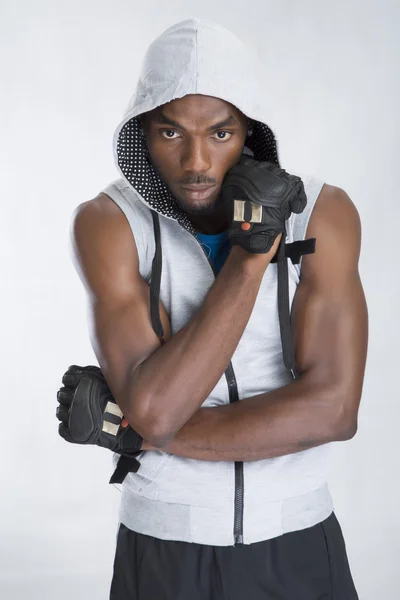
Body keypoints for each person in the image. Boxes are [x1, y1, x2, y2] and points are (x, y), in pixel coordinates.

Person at [69, 18, 368, 599]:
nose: (197, 161)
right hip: (163, 545)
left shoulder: (322, 214)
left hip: (299, 538)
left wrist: (140, 434)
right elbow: (156, 410)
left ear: (251, 134)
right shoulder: (110, 224)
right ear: (142, 135)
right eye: (171, 133)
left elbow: (333, 409)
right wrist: (252, 257)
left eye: (221, 133)